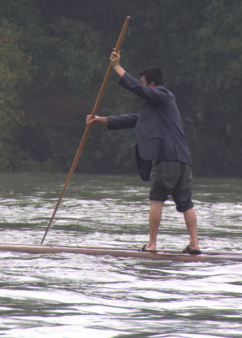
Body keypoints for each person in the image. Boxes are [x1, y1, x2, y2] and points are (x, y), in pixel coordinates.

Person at [86, 50, 201, 254]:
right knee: (186, 203)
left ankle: (152, 245)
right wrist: (101, 120)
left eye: (143, 83)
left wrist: (117, 68)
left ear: (152, 85)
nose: (141, 86)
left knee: (157, 199)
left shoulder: (163, 95)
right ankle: (194, 245)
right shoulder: (158, 106)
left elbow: (138, 89)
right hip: (183, 159)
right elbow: (134, 118)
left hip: (166, 158)